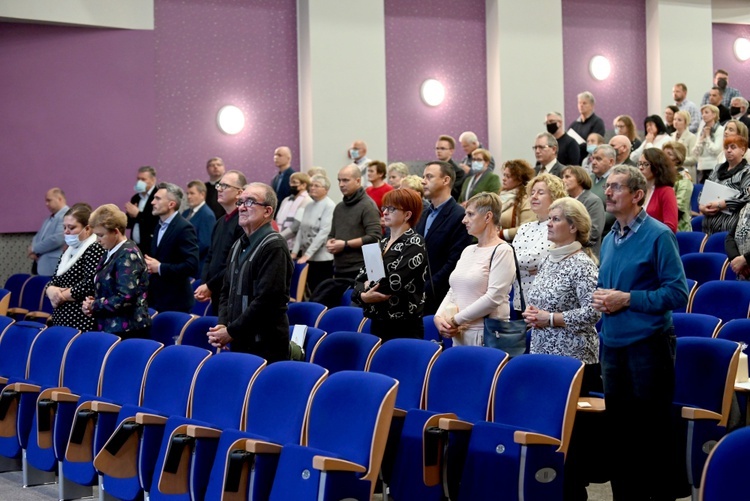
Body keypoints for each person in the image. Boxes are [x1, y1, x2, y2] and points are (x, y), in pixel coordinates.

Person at [594, 165, 688, 500]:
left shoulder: (659, 235)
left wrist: (627, 298)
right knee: (620, 433)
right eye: (607, 186)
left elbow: (677, 293)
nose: (608, 192)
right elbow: (611, 289)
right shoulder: (608, 240)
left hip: (648, 345)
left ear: (637, 195)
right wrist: (603, 299)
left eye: (616, 187)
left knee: (651, 432)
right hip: (613, 344)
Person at [208, 183, 293, 363]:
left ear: (267, 211)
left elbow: (267, 300)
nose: (242, 207)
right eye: (240, 201)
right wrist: (223, 324)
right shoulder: (239, 244)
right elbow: (226, 291)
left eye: (250, 202)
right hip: (240, 340)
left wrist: (230, 331)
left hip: (266, 346)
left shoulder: (274, 245)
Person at [523, 196, 600, 366]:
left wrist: (550, 318)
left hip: (573, 358)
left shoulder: (583, 264)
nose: (549, 223)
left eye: (556, 219)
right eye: (549, 218)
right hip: (541, 352)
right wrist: (532, 313)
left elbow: (593, 312)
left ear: (573, 226)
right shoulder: (546, 259)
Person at [434, 192, 515, 346]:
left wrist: (454, 320)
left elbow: (493, 298)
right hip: (460, 332)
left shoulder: (503, 250)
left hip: (487, 335)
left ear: (488, 217)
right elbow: (453, 290)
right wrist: (438, 317)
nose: (464, 220)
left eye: (470, 214)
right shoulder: (468, 250)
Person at [353, 189, 427, 341]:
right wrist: (363, 295)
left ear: (407, 215)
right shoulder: (382, 243)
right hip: (378, 320)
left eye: (392, 209)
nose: (385, 212)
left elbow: (393, 283)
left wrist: (367, 287)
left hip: (404, 325)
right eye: (384, 208)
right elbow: (358, 280)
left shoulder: (415, 242)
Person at [82, 204, 151, 339]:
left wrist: (95, 305)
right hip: (110, 327)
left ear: (116, 231)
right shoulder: (111, 251)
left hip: (127, 330)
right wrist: (92, 302)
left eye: (101, 235)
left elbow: (125, 297)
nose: (97, 240)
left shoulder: (127, 254)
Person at [416, 161, 473, 315]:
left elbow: (454, 262)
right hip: (418, 295)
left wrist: (427, 287)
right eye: (423, 177)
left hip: (441, 296)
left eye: (429, 177)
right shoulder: (424, 213)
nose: (423, 181)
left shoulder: (459, 216)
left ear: (446, 180)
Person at [45, 204, 106, 331]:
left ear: (88, 229)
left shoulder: (95, 248)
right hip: (61, 317)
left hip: (81, 319)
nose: (66, 231)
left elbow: (90, 283)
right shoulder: (69, 250)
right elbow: (55, 278)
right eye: (64, 227)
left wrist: (62, 296)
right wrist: (50, 290)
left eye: (71, 228)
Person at [512, 173, 567, 312]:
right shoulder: (525, 227)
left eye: (540, 193)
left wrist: (517, 263)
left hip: (546, 305)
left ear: (555, 196)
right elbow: (508, 258)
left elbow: (533, 259)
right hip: (520, 301)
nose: (534, 197)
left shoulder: (557, 226)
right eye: (532, 192)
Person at [194, 170, 247, 314]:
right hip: (217, 291)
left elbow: (237, 262)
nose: (219, 189)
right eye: (219, 185)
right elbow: (210, 256)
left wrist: (210, 285)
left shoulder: (243, 223)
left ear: (239, 193)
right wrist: (205, 283)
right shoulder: (220, 222)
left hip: (233, 293)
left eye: (225, 186)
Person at [144, 182, 199, 313]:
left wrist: (160, 268)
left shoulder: (184, 227)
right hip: (157, 298)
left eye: (157, 198)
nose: (152, 202)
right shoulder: (158, 226)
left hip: (175, 301)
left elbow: (191, 265)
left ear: (171, 204)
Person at [326, 164, 381, 279]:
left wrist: (345, 245)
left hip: (364, 269)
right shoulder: (339, 207)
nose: (341, 184)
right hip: (340, 268)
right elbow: (333, 234)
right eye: (339, 180)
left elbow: (374, 237)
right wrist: (330, 243)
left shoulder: (368, 206)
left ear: (358, 181)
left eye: (345, 180)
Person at [292, 174, 335, 294]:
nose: (312, 188)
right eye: (311, 185)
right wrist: (295, 252)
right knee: (310, 289)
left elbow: (324, 232)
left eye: (317, 186)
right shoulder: (309, 205)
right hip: (307, 257)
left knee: (321, 292)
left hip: (322, 258)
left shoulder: (329, 205)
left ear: (325, 189)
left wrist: (307, 255)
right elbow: (301, 229)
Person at [700, 136, 750, 235]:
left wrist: (720, 204)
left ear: (742, 150)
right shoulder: (717, 168)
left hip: (730, 227)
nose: (729, 150)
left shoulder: (747, 171)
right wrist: (702, 207)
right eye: (726, 147)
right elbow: (704, 190)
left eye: (733, 147)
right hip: (708, 226)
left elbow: (746, 195)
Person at [561, 165, 605, 256]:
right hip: (565, 253)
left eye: (567, 177)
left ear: (580, 179)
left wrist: (565, 238)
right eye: (563, 177)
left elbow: (594, 232)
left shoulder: (593, 201)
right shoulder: (563, 201)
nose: (563, 180)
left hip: (586, 254)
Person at [638, 148, 679, 233]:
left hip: (656, 241)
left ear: (657, 167)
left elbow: (670, 227)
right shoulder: (639, 190)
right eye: (639, 164)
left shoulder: (666, 191)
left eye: (646, 164)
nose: (641, 168)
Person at [30, 188, 68, 276]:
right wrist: (33, 250)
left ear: (60, 199)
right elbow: (38, 236)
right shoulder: (49, 218)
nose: (46, 204)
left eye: (49, 200)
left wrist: (34, 249)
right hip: (41, 263)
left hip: (54, 266)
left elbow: (57, 239)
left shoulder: (67, 215)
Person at [182, 180, 216, 277]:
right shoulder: (186, 212)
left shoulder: (207, 215)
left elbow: (205, 243)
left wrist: (185, 255)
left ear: (202, 194)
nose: (188, 197)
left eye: (192, 193)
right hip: (185, 264)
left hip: (196, 266)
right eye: (187, 193)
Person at [125, 166, 159, 255]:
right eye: (138, 179)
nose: (139, 182)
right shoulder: (136, 198)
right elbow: (128, 224)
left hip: (151, 247)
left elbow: (155, 221)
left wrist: (138, 214)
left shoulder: (158, 196)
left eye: (143, 179)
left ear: (153, 180)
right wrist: (129, 214)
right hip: (136, 247)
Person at [499, 159, 536, 242]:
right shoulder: (500, 196)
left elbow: (527, 227)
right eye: (504, 175)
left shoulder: (526, 199)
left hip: (514, 244)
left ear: (519, 179)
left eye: (508, 176)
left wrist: (501, 234)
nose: (503, 179)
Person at [662, 141, 694, 232]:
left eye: (669, 154)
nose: (664, 157)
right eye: (663, 153)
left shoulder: (684, 178)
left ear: (677, 159)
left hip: (679, 227)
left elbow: (680, 208)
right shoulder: (661, 175)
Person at [276, 172, 312, 251]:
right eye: (290, 182)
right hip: (281, 242)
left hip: (295, 245)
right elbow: (277, 220)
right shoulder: (286, 200)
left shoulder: (307, 201)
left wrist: (278, 238)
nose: (291, 185)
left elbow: (296, 226)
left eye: (294, 182)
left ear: (304, 185)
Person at [569, 91, 606, 160]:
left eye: (584, 103)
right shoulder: (574, 124)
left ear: (592, 106)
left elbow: (595, 143)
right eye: (579, 103)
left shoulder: (597, 122)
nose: (581, 105)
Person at [694, 104, 725, 183]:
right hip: (701, 167)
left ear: (714, 114)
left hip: (713, 166)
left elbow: (716, 150)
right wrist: (702, 138)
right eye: (702, 113)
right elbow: (695, 151)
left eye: (706, 112)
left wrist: (707, 137)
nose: (703, 115)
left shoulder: (720, 129)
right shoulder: (701, 130)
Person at [435, 134, 465, 200]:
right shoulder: (433, 169)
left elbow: (454, 193)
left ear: (451, 151)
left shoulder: (458, 172)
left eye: (442, 148)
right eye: (437, 148)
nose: (438, 151)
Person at [670, 110, 698, 178]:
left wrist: (677, 160)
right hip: (673, 171)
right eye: (674, 119)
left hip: (686, 172)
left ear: (686, 122)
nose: (676, 122)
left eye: (679, 120)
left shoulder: (691, 137)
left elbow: (694, 159)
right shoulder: (671, 136)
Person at [271, 146, 295, 211]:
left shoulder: (293, 177)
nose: (276, 158)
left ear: (288, 158)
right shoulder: (275, 178)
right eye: (275, 155)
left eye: (279, 155)